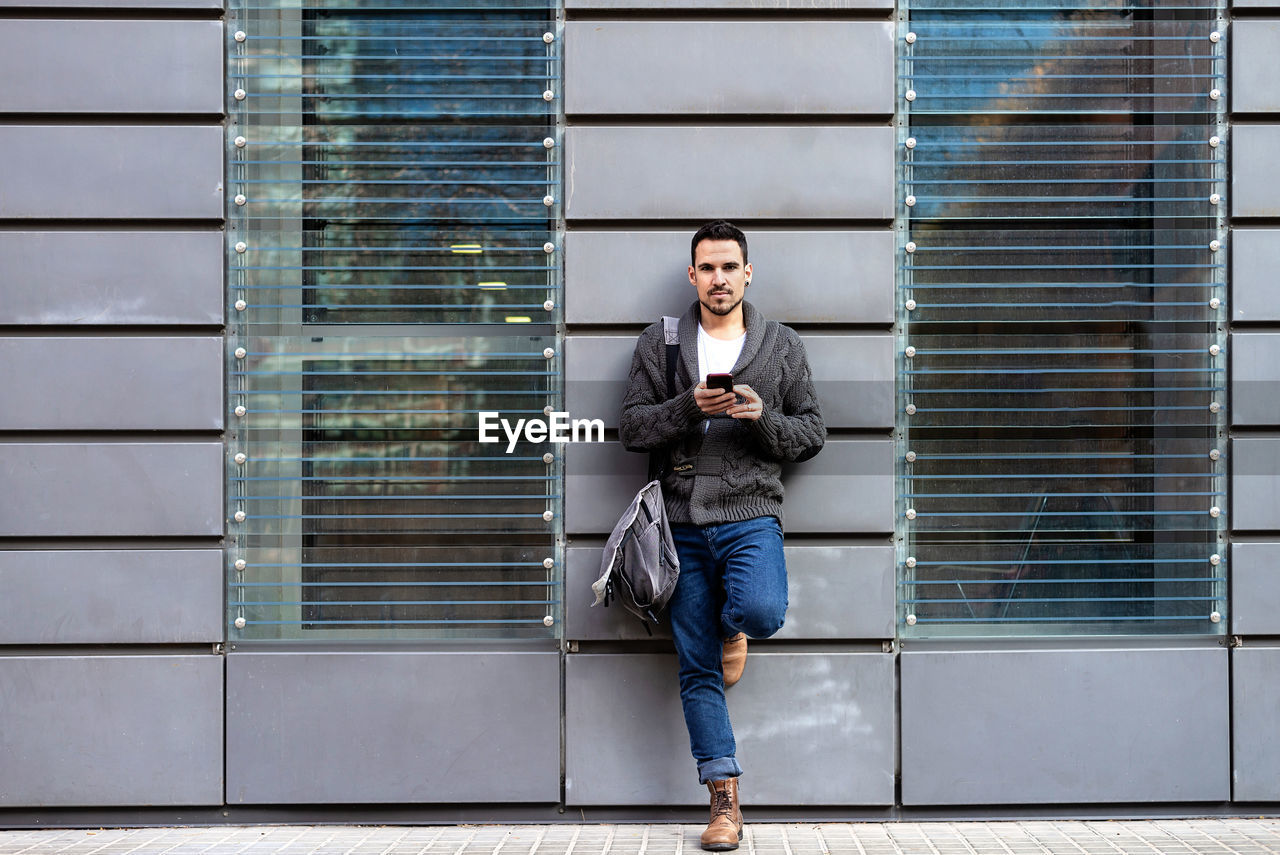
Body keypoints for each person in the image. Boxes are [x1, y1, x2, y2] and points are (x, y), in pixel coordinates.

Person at [618, 221, 826, 850]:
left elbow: (811, 433)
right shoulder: (661, 344)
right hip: (678, 527)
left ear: (747, 273)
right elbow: (631, 428)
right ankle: (723, 800)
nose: (718, 279)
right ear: (693, 275)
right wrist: (689, 408)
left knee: (761, 611)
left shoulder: (782, 346)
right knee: (697, 667)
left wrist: (763, 419)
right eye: (707, 268)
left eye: (729, 267)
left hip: (748, 514)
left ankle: (733, 625)